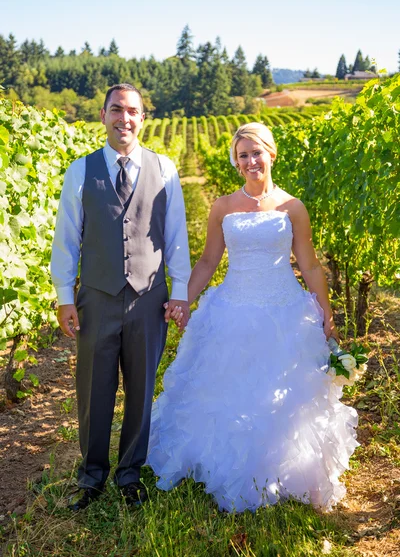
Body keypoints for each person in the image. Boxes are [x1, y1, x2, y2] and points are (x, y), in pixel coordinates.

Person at [147, 122, 358, 513]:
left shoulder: (292, 207)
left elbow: (309, 266)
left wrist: (325, 312)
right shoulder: (223, 206)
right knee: (226, 389)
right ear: (237, 162)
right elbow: (209, 261)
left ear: (271, 154)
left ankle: (290, 470)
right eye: (242, 155)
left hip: (284, 309)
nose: (250, 161)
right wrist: (183, 300)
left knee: (285, 392)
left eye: (256, 152)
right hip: (233, 307)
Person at [51, 83, 191, 511]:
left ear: (143, 118)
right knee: (93, 389)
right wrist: (64, 294)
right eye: (116, 110)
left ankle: (130, 474)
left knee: (141, 388)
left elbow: (176, 237)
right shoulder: (81, 170)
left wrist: (180, 291)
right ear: (103, 115)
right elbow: (67, 238)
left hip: (149, 297)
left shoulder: (165, 169)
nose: (124, 118)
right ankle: (92, 476)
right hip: (96, 296)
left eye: (132, 111)